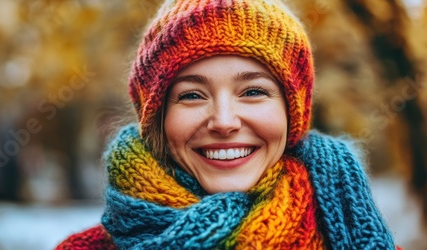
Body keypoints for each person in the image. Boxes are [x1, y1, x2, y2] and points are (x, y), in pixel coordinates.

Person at [57, 0, 399, 249]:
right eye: (192, 95)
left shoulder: (352, 234)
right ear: (157, 120)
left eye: (252, 91)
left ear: (292, 113)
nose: (223, 121)